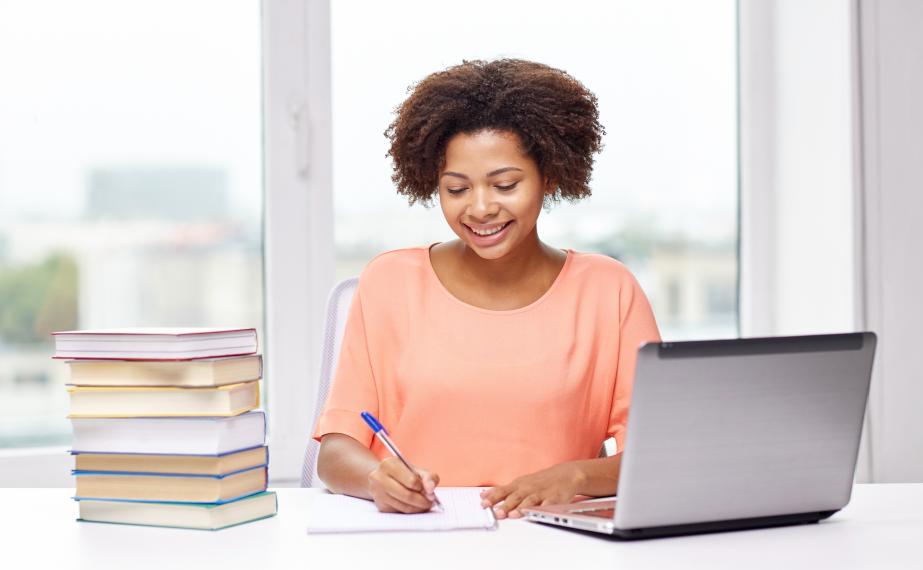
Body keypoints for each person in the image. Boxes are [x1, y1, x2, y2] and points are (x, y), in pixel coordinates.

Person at [313, 59, 660, 520]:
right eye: (456, 189)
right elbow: (335, 455)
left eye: (505, 185)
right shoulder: (390, 282)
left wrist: (577, 476)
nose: (480, 209)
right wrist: (377, 479)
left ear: (549, 176)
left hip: (556, 541)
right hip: (418, 538)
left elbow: (656, 455)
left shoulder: (608, 292)